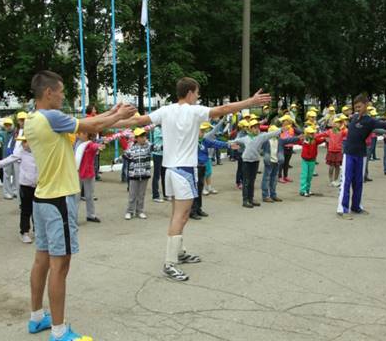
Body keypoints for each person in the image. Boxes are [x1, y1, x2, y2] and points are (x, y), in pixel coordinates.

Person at [111, 77, 271, 281]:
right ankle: (169, 263)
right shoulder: (194, 111)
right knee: (181, 215)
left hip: (171, 170)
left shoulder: (166, 110)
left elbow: (136, 121)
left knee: (179, 215)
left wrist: (107, 122)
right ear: (189, 93)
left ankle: (179, 251)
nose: (197, 97)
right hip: (184, 171)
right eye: (196, 93)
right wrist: (250, 102)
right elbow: (225, 109)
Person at [24, 70, 135, 340]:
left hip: (43, 197)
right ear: (48, 92)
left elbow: (89, 122)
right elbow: (93, 127)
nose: (63, 95)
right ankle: (60, 332)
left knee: (41, 260)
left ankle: (37, 318)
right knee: (60, 266)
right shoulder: (51, 117)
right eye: (61, 91)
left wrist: (111, 111)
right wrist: (119, 116)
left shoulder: (33, 117)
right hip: (59, 199)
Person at [337, 94, 386, 220]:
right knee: (346, 181)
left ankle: (356, 207)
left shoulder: (370, 121)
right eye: (355, 107)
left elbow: (382, 125)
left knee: (358, 182)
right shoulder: (354, 118)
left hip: (361, 154)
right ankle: (342, 209)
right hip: (349, 153)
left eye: (359, 106)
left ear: (366, 105)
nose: (357, 109)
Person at [233, 119, 293, 208]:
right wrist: (229, 144)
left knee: (252, 181)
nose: (257, 129)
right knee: (246, 181)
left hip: (255, 161)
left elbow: (270, 134)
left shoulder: (261, 137)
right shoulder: (245, 138)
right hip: (246, 161)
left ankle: (251, 199)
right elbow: (235, 141)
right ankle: (245, 200)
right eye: (254, 128)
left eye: (258, 127)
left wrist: (281, 130)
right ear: (250, 129)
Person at [191, 122, 238, 219]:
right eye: (201, 131)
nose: (203, 133)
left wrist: (228, 145)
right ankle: (192, 211)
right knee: (194, 189)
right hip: (194, 167)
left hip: (202, 166)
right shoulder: (191, 142)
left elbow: (215, 143)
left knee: (199, 189)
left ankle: (198, 208)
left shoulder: (204, 140)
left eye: (204, 131)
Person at [0, 135, 38, 243]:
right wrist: (0, 163)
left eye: (26, 141)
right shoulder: (20, 152)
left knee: (37, 210)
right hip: (25, 185)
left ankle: (37, 231)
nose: (24, 144)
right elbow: (11, 158)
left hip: (37, 185)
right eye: (23, 142)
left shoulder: (39, 151)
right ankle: (24, 232)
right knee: (26, 209)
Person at [261, 125, 300, 202]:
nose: (278, 133)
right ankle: (265, 196)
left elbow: (289, 140)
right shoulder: (266, 141)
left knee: (274, 179)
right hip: (269, 162)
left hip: (276, 162)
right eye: (276, 132)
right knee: (266, 179)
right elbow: (258, 146)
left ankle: (273, 195)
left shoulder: (279, 140)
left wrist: (298, 138)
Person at [124, 128, 152, 220]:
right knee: (132, 194)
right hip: (134, 175)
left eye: (144, 136)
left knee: (141, 194)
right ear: (136, 138)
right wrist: (115, 161)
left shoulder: (148, 146)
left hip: (145, 174)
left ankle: (140, 211)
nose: (144, 138)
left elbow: (158, 147)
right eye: (141, 137)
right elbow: (124, 156)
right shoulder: (131, 149)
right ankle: (129, 211)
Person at [75, 132, 103, 223]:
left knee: (89, 195)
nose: (78, 134)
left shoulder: (90, 144)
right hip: (76, 172)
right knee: (76, 197)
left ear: (87, 135)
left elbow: (94, 146)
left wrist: (99, 147)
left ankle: (90, 215)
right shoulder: (76, 143)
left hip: (88, 173)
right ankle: (73, 218)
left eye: (82, 133)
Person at [294, 127, 327, 197]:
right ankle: (303, 190)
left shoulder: (315, 140)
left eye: (313, 133)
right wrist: (298, 138)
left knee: (309, 176)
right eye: (310, 133)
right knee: (304, 175)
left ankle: (307, 190)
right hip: (305, 160)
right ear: (307, 134)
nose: (312, 134)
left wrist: (325, 139)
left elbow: (321, 140)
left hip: (312, 160)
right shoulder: (304, 140)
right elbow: (297, 141)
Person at [325, 118, 347, 187]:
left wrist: (345, 125)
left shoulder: (342, 132)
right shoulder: (329, 131)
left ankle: (335, 180)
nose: (338, 124)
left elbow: (348, 133)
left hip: (338, 151)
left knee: (337, 166)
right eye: (336, 122)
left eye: (339, 123)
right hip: (331, 151)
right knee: (331, 166)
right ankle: (330, 180)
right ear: (333, 124)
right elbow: (322, 135)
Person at [0, 117, 18, 199]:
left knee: (15, 174)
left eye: (9, 125)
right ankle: (6, 192)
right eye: (6, 125)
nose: (8, 127)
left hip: (15, 156)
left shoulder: (16, 132)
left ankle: (15, 191)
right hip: (6, 156)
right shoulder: (3, 133)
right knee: (6, 175)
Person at [277, 115, 299, 183]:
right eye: (283, 121)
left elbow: (300, 132)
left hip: (290, 147)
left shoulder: (292, 128)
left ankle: (285, 176)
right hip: (283, 147)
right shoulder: (280, 129)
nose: (284, 122)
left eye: (285, 121)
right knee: (281, 163)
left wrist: (294, 124)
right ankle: (279, 177)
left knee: (287, 163)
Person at [151, 125, 167, 202]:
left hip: (165, 154)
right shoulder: (157, 129)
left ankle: (166, 195)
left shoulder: (166, 127)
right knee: (157, 175)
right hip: (157, 154)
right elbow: (166, 136)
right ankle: (155, 196)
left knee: (164, 175)